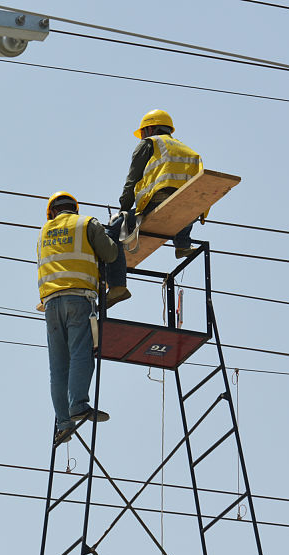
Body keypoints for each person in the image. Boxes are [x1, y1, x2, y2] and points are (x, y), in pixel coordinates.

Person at [37, 192, 116, 445]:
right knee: (82, 354)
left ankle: (64, 423)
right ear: (74, 209)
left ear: (52, 213)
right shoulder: (87, 223)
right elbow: (110, 254)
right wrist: (113, 236)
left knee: (58, 367)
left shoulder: (43, 233)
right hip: (78, 299)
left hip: (50, 304)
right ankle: (78, 404)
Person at [109, 108, 206, 260]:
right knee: (181, 208)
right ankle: (182, 245)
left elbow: (132, 181)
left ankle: (105, 264)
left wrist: (124, 212)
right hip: (189, 212)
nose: (141, 137)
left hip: (158, 204)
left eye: (142, 133)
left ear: (150, 129)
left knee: (112, 231)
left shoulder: (149, 144)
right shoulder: (189, 151)